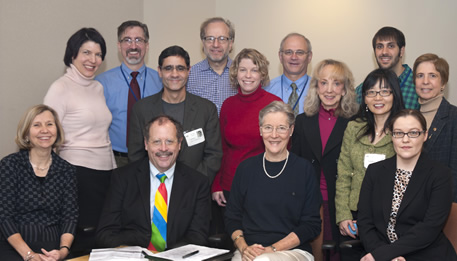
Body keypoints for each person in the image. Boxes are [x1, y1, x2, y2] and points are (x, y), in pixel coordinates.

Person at [43, 27, 115, 253]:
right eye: (86, 53)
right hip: (78, 173)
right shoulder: (60, 87)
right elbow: (47, 135)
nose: (93, 60)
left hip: (107, 171)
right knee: (82, 238)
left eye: (98, 54)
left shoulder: (97, 87)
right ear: (72, 54)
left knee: (103, 237)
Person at [97, 115, 211, 251]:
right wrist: (140, 246)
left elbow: (198, 237)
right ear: (146, 144)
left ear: (179, 144)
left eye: (169, 141)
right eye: (156, 142)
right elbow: (105, 234)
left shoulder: (198, 183)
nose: (163, 148)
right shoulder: (122, 178)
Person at [225, 101, 321, 261]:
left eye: (281, 128)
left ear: (291, 131)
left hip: (293, 251)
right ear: (260, 130)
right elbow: (232, 217)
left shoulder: (304, 170)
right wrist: (244, 248)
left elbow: (311, 225)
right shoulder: (245, 168)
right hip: (248, 250)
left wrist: (271, 249)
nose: (274, 135)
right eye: (268, 127)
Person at [358, 109, 457, 260]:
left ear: (425, 135)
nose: (405, 139)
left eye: (413, 133)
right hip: (381, 251)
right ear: (391, 136)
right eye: (399, 133)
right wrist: (383, 254)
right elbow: (365, 222)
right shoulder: (375, 171)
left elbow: (429, 228)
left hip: (426, 252)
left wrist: (386, 254)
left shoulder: (440, 174)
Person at [291, 59, 358, 261]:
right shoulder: (302, 121)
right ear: (316, 87)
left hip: (341, 204)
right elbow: (296, 166)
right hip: (309, 204)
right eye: (324, 82)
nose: (329, 90)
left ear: (345, 90)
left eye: (336, 83)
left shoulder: (355, 123)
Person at [335, 69, 405, 260]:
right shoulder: (353, 128)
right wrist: (343, 214)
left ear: (394, 95)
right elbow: (343, 173)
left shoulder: (403, 131)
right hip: (354, 214)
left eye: (384, 91)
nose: (377, 97)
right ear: (364, 98)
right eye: (371, 92)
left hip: (389, 217)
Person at [128, 45, 222, 182]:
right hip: (153, 189)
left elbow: (213, 155)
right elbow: (136, 156)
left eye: (180, 68)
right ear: (159, 71)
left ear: (189, 71)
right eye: (168, 68)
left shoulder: (207, 109)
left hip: (194, 189)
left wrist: (190, 185)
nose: (174, 74)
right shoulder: (141, 109)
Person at [0, 105, 78, 261]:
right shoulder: (10, 165)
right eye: (37, 125)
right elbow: (4, 217)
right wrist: (29, 255)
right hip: (14, 249)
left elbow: (70, 216)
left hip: (52, 250)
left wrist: (62, 251)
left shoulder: (67, 170)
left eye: (50, 124)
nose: (45, 130)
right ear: (27, 133)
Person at [211, 48, 281, 207]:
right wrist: (216, 184)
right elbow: (221, 147)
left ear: (262, 74)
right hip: (230, 186)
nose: (248, 76)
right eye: (243, 70)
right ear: (236, 73)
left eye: (254, 70)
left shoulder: (274, 105)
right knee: (232, 231)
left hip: (263, 185)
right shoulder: (228, 105)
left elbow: (283, 150)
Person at [96, 20, 162, 167]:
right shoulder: (101, 83)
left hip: (153, 159)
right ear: (119, 46)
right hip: (114, 159)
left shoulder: (161, 81)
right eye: (127, 40)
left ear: (147, 45)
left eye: (139, 40)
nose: (133, 46)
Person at [413, 53, 457, 203]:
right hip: (411, 206)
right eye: (420, 76)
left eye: (432, 75)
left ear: (443, 82)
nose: (425, 81)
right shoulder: (408, 118)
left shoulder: (454, 117)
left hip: (442, 205)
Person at [355, 27, 419, 110]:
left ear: (401, 51)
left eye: (391, 46)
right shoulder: (362, 90)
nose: (384, 52)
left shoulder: (418, 86)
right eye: (379, 46)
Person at [187, 17, 237, 114]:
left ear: (230, 43)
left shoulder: (243, 75)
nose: (215, 44)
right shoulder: (189, 74)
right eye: (210, 39)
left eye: (222, 39)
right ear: (203, 42)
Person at [264, 33, 313, 116]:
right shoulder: (267, 89)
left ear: (309, 57)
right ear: (280, 56)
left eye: (300, 52)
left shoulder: (320, 91)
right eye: (288, 52)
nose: (294, 57)